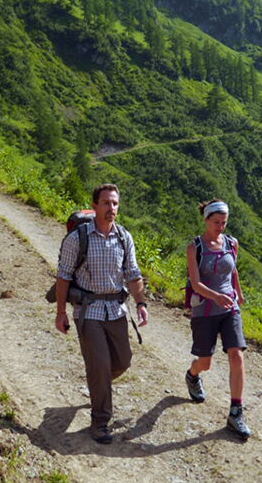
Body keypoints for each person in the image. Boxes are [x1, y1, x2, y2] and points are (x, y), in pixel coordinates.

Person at [55, 183, 149, 444]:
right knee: (100, 365)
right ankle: (100, 421)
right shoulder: (78, 238)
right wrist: (61, 312)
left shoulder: (123, 237)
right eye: (106, 203)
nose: (111, 208)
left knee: (122, 362)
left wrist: (141, 303)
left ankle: (98, 383)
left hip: (117, 309)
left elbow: (133, 274)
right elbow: (63, 277)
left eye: (115, 203)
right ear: (95, 206)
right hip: (89, 311)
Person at [184, 199, 252, 439]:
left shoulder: (232, 243)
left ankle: (236, 411)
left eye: (224, 222)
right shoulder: (195, 248)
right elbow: (195, 283)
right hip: (204, 310)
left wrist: (238, 293)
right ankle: (192, 375)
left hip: (229, 308)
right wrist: (216, 296)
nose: (220, 227)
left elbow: (233, 270)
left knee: (237, 354)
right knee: (205, 362)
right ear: (205, 220)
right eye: (216, 222)